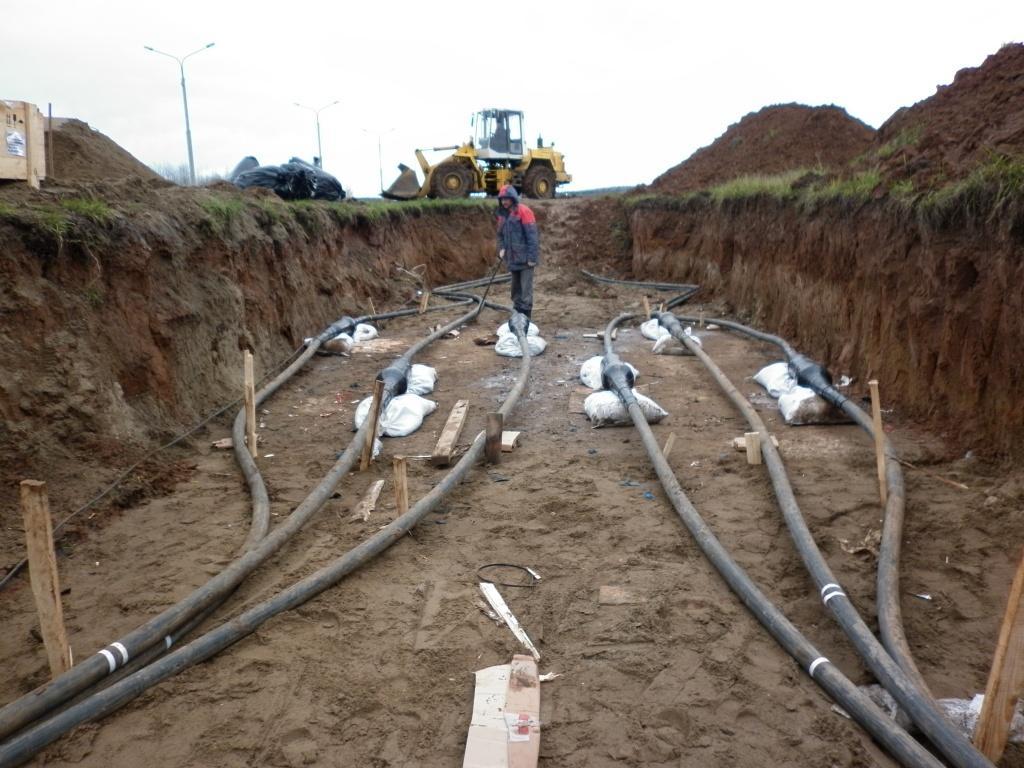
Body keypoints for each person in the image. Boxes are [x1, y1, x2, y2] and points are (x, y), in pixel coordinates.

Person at [495, 185, 539, 322]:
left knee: (526, 291)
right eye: (502, 199)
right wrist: (502, 248)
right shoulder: (502, 215)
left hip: (526, 260)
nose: (504, 202)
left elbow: (532, 236)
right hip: (512, 260)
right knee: (515, 291)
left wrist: (532, 257)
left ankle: (526, 319)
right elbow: (500, 235)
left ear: (513, 198)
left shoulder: (524, 212)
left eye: (506, 199)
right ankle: (517, 315)